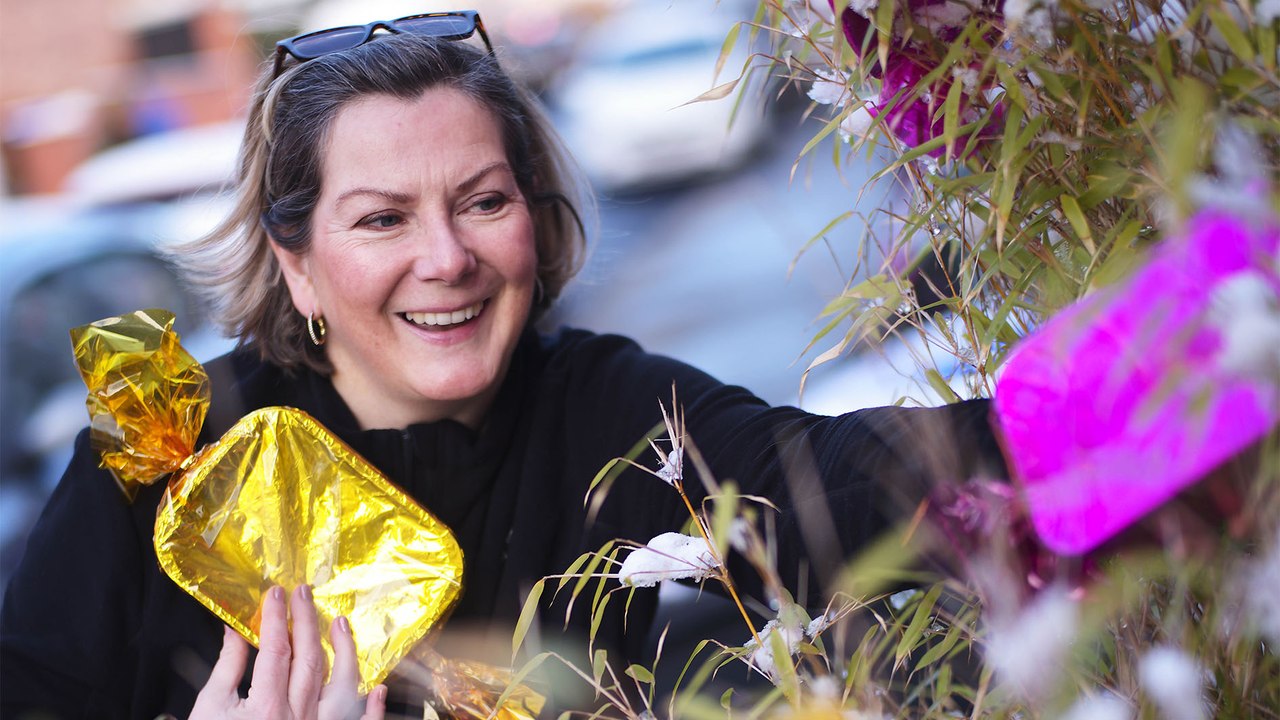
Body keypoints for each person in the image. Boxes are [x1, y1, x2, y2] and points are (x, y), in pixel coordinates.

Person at [0, 11, 1006, 720]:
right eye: (382, 218)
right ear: (295, 264)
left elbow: (859, 478)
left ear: (537, 214)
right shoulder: (167, 456)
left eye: (481, 201)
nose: (445, 259)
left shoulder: (608, 411)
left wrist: (1133, 378)